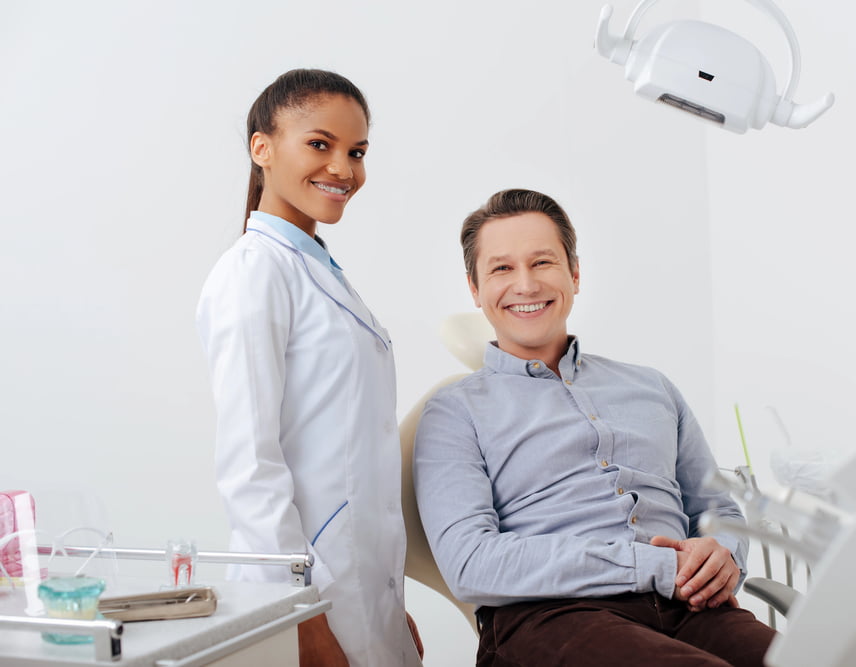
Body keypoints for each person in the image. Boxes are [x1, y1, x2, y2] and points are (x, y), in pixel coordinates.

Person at [414, 189, 776, 666]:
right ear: (475, 289)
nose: (525, 284)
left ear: (575, 274)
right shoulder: (453, 412)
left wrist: (725, 553)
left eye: (542, 262)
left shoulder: (652, 388)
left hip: (690, 606)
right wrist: (651, 565)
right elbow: (471, 564)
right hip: (550, 616)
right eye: (502, 268)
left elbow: (715, 508)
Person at [196, 69, 422, 666]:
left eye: (357, 152)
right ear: (261, 148)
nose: (343, 169)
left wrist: (389, 602)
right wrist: (298, 617)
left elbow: (346, 459)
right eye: (320, 144)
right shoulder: (254, 273)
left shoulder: (315, 270)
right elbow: (249, 464)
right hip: (305, 598)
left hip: (356, 588)